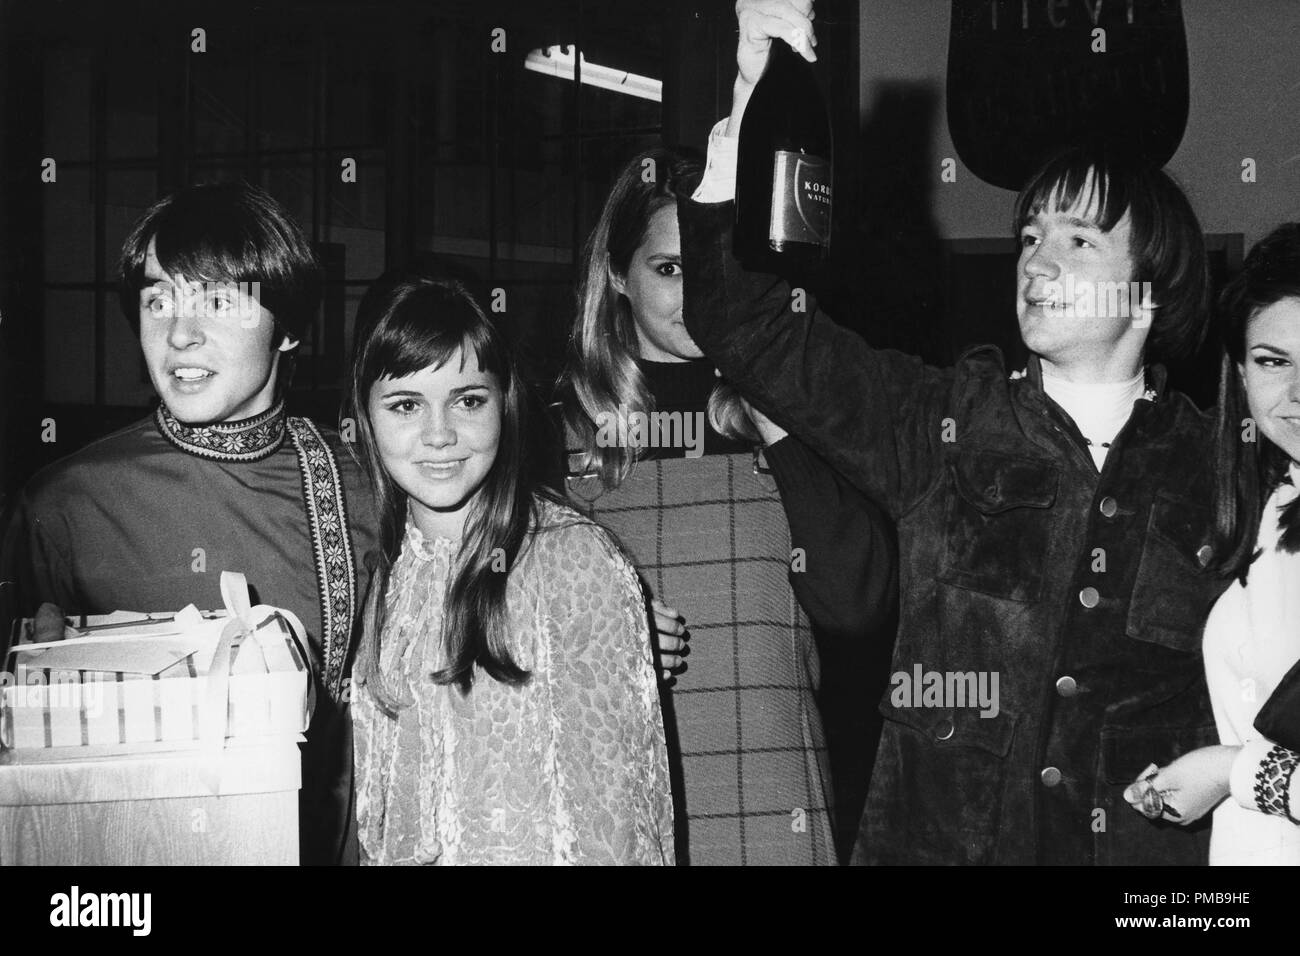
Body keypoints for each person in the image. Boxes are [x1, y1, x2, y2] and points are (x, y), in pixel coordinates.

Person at [672, 0, 1232, 865]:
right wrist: (757, 90)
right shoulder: (942, 422)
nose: (1038, 261)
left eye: (1079, 240)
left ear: (1149, 292)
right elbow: (748, 323)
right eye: (1031, 236)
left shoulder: (1223, 470)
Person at [0, 182, 377, 866]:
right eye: (156, 300)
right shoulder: (63, 505)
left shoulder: (361, 486)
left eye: (219, 300)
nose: (178, 333)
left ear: (288, 325)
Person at [560, 146, 897, 865]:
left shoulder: (806, 418)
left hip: (777, 812)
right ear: (618, 275)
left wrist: (775, 400)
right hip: (605, 819)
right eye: (670, 270)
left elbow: (857, 604)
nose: (701, 298)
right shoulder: (548, 435)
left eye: (720, 272)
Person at [347, 270, 674, 865]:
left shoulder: (570, 560)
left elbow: (619, 821)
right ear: (365, 416)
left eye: (468, 400)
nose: (440, 434)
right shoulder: (385, 580)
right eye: (406, 405)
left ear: (505, 403)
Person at [1122, 223, 1300, 864]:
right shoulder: (1270, 505)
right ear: (1242, 374)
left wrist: (1226, 773)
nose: (1299, 393)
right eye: (1274, 361)